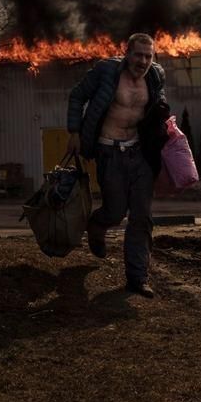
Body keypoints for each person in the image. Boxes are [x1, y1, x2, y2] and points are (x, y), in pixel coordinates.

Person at [65, 32, 169, 297]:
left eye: (148, 56)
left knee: (142, 216)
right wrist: (74, 132)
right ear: (127, 53)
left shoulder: (156, 76)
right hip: (108, 152)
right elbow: (77, 96)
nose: (143, 61)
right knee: (115, 212)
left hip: (140, 154)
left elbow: (158, 106)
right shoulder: (106, 71)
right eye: (138, 54)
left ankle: (137, 278)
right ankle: (97, 225)